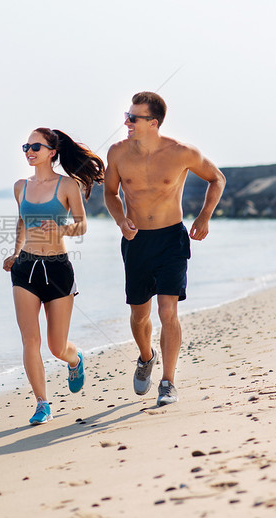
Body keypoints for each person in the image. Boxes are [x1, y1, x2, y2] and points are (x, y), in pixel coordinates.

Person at [104, 92, 225, 406]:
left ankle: (168, 381)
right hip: (136, 241)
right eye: (127, 116)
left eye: (134, 118)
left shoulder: (181, 152)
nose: (127, 122)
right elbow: (110, 193)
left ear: (153, 122)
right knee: (139, 313)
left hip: (171, 238)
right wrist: (120, 220)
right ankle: (146, 356)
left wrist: (204, 217)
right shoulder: (117, 153)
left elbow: (217, 178)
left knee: (168, 311)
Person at [3, 127, 105, 425]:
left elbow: (82, 226)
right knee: (29, 340)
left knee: (56, 346)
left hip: (58, 268)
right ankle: (42, 403)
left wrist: (61, 229)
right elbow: (22, 222)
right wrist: (15, 252)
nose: (29, 151)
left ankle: (75, 360)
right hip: (25, 268)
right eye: (26, 146)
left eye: (36, 146)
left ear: (52, 151)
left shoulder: (67, 185)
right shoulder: (20, 186)